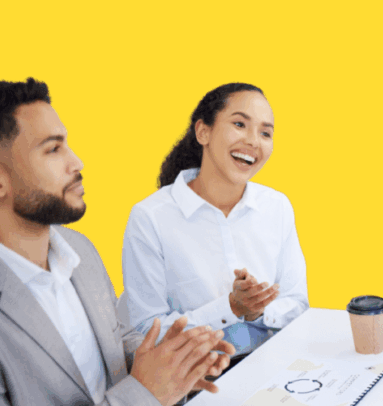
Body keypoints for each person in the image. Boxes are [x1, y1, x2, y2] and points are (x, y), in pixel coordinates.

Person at [0, 78, 233, 406]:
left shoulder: (78, 249)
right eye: (53, 149)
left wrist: (176, 362)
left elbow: (111, 339)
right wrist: (146, 394)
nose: (77, 162)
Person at [122, 83, 309, 363]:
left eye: (265, 133)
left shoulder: (276, 206)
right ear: (203, 132)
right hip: (194, 377)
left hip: (272, 364)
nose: (253, 141)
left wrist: (258, 311)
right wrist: (230, 308)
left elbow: (298, 305)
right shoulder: (151, 217)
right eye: (239, 124)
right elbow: (148, 329)